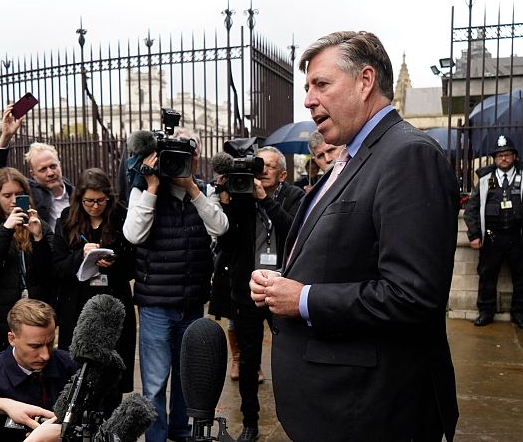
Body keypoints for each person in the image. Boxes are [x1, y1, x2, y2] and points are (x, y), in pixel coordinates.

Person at [249, 31, 459, 441]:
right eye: (307, 87)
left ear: (365, 82)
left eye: (321, 85)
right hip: (334, 409)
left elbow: (412, 295)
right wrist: (281, 285)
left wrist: (303, 298)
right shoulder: (351, 158)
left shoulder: (407, 155)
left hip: (372, 414)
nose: (309, 99)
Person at [123, 127, 229, 442]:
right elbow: (134, 235)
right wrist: (153, 186)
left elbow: (220, 227)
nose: (183, 161)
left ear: (196, 158)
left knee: (187, 375)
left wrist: (192, 189)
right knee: (154, 381)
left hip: (193, 301)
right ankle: (156, 437)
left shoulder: (204, 191)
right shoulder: (143, 190)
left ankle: (180, 431)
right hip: (156, 304)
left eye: (190, 154)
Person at [217, 145, 303, 442]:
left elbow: (295, 234)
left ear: (283, 174)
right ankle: (250, 422)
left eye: (266, 167)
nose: (260, 171)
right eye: (257, 165)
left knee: (291, 358)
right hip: (248, 290)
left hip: (284, 289)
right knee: (249, 361)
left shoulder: (294, 197)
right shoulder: (243, 194)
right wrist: (229, 200)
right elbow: (226, 244)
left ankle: (298, 418)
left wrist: (265, 201)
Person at [52, 168, 136, 412]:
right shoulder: (67, 220)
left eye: (101, 201)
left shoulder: (121, 217)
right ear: (80, 199)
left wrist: (114, 261)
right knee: (78, 372)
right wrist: (81, 255)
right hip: (77, 304)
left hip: (113, 301)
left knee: (112, 372)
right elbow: (57, 267)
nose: (95, 206)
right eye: (89, 201)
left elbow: (134, 263)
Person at [0, 299, 76, 441]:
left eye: (50, 343)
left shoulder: (71, 367)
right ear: (12, 339)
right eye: (35, 346)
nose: (46, 355)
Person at [0, 167, 54, 364]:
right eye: (7, 195)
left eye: (19, 194)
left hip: (34, 316)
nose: (14, 200)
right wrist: (6, 229)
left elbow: (49, 272)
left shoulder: (41, 226)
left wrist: (39, 237)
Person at [463, 135, 523, 329]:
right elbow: (472, 209)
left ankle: (520, 313)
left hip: (518, 237)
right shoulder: (485, 180)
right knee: (487, 276)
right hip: (491, 237)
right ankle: (486, 312)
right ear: (494, 159)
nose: (503, 159)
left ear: (514, 157)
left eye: (507, 155)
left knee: (522, 277)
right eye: (499, 156)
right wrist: (474, 235)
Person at [0, 104, 74, 231]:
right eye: (43, 169)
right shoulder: (29, 193)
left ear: (60, 165)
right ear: (33, 174)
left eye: (53, 166)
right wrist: (5, 138)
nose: (50, 173)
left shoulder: (76, 194)